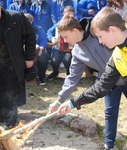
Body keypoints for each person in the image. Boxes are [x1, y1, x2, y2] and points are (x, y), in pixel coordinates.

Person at [48, 9, 127, 150]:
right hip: (111, 83)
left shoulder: (101, 37)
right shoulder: (115, 56)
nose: (100, 41)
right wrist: (69, 102)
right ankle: (109, 145)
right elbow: (97, 85)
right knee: (110, 112)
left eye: (101, 36)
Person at [0, 0, 36, 130]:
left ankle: (11, 118)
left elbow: (30, 36)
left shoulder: (16, 18)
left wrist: (29, 56)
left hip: (13, 62)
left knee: (11, 90)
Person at [47, 6, 74, 81]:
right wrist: (52, 38)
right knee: (54, 60)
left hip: (70, 49)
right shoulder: (59, 24)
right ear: (63, 14)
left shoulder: (75, 25)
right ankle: (55, 72)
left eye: (71, 15)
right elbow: (49, 31)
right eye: (67, 15)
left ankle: (69, 74)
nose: (69, 17)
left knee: (67, 60)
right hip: (58, 48)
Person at [25, 13, 49, 85]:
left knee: (44, 57)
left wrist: (41, 48)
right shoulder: (20, 29)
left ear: (31, 21)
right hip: (25, 51)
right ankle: (26, 78)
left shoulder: (39, 29)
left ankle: (41, 77)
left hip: (38, 50)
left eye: (28, 21)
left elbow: (44, 40)